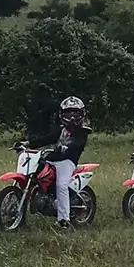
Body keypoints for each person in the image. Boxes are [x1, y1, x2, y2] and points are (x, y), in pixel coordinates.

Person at [28, 95, 91, 231]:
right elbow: (46, 139)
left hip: (67, 162)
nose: (72, 117)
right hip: (52, 159)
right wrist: (27, 144)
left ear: (82, 114)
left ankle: (63, 220)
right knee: (34, 175)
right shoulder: (61, 130)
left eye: (75, 113)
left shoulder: (83, 132)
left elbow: (78, 144)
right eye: (68, 113)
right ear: (62, 114)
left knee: (61, 185)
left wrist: (66, 148)